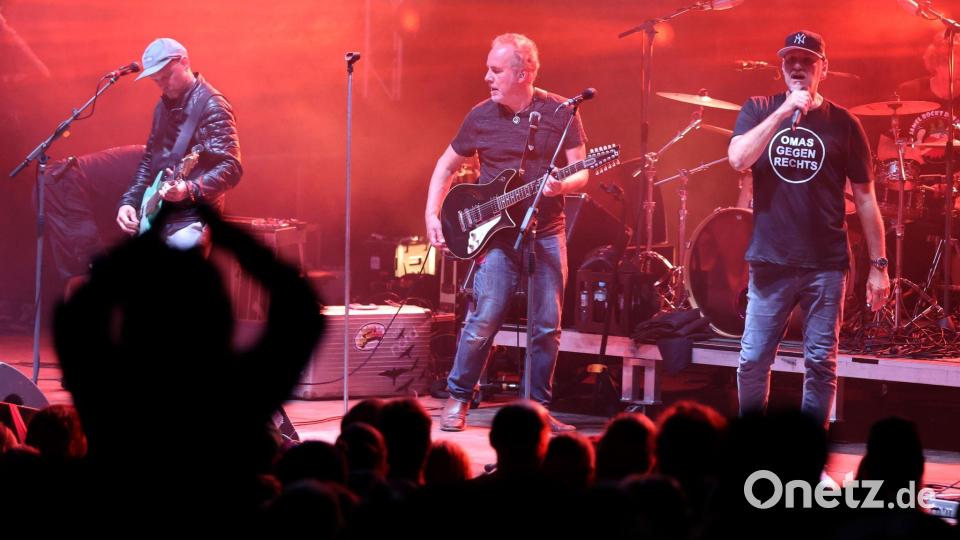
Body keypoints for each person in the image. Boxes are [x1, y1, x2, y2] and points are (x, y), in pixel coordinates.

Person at [424, 33, 588, 432]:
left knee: (547, 327)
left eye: (496, 70)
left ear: (523, 73)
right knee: (484, 318)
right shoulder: (480, 115)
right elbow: (445, 166)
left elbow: (581, 172)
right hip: (494, 236)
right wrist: (431, 214)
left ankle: (537, 409)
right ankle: (459, 397)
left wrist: (561, 186)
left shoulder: (561, 112)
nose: (487, 78)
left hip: (547, 230)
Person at [727, 30, 889, 425]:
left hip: (826, 263)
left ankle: (808, 458)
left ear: (823, 69)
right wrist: (782, 113)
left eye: (807, 61)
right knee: (752, 360)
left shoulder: (844, 124)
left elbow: (866, 199)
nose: (798, 67)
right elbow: (738, 159)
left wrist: (878, 265)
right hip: (771, 259)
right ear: (782, 69)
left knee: (820, 362)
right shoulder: (759, 108)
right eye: (790, 61)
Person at [116, 37, 242, 249]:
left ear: (184, 63)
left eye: (167, 76)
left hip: (192, 216)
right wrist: (129, 201)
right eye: (156, 80)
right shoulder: (162, 106)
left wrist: (190, 188)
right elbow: (149, 159)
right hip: (159, 214)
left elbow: (231, 168)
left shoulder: (212, 106)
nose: (163, 85)